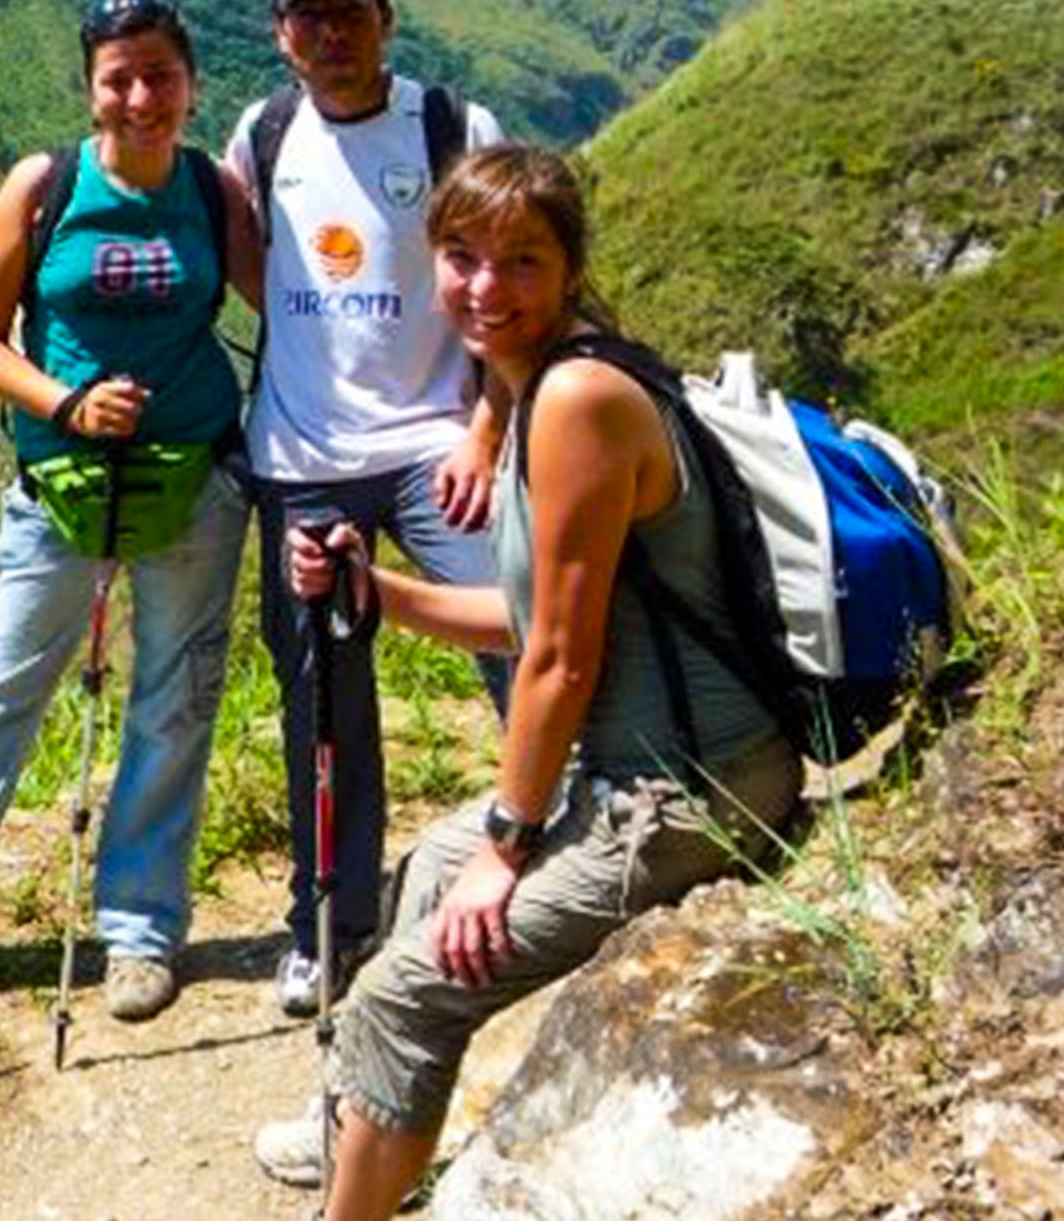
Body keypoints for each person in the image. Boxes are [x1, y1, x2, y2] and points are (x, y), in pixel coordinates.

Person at [252, 144, 803, 1216]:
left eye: (522, 262)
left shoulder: (576, 402)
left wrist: (506, 848)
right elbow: (537, 618)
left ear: (570, 269)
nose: (485, 288)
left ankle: (355, 1190)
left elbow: (559, 660)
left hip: (693, 791)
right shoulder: (544, 383)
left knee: (406, 993)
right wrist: (377, 590)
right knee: (428, 872)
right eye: (462, 257)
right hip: (635, 773)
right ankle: (361, 1136)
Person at [0, 0, 258, 1024]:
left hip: (194, 480)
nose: (141, 97)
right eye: (120, 78)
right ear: (90, 89)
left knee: (174, 700)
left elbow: (288, 310)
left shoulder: (214, 191)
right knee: (0, 698)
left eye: (161, 75)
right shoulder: (45, 187)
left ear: (191, 84)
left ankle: (141, 934)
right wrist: (69, 403)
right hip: (61, 487)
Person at [225, 0, 512, 1018]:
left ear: (386, 20)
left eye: (348, 10)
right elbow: (251, 259)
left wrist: (486, 429)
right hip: (302, 460)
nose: (330, 32)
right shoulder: (263, 133)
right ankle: (332, 922)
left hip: (439, 447)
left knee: (516, 624)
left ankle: (566, 831)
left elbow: (508, 290)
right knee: (321, 694)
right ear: (281, 35)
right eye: (309, 14)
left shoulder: (453, 129)